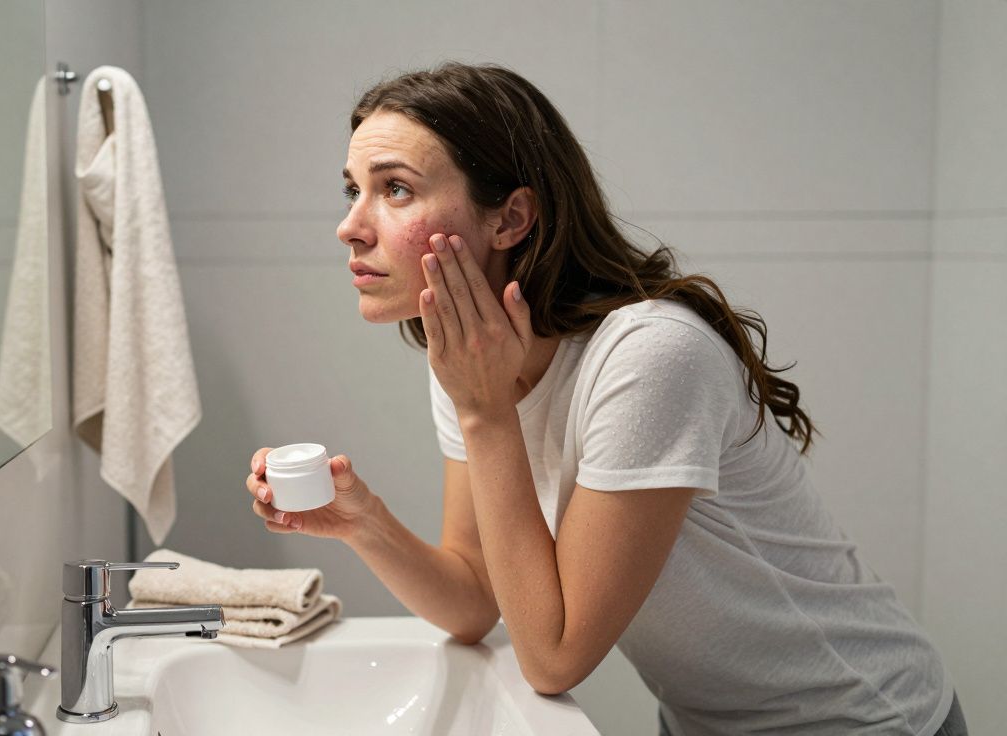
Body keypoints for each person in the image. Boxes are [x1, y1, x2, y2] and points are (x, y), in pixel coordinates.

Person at [244, 62, 964, 735]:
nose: (350, 224)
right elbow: (474, 599)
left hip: (862, 717)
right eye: (353, 189)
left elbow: (554, 656)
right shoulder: (471, 366)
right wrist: (362, 521)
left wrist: (486, 414)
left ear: (510, 219)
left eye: (394, 188)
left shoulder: (649, 357)